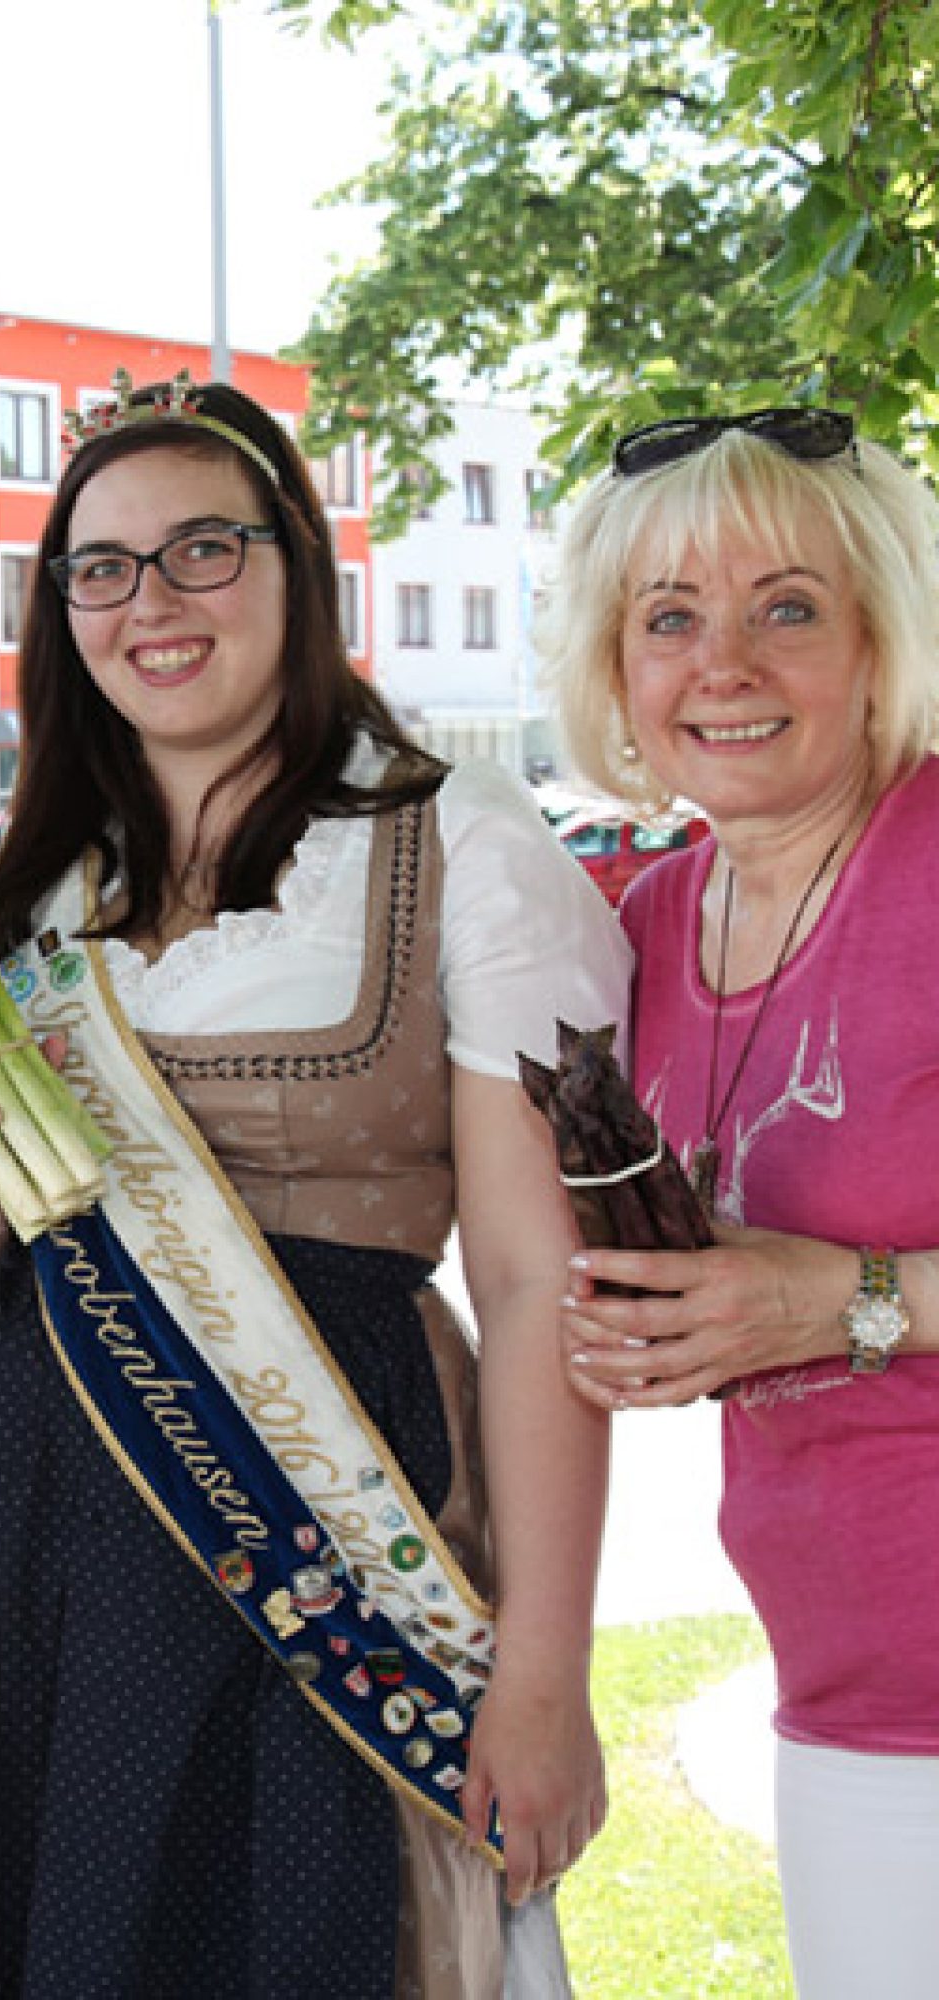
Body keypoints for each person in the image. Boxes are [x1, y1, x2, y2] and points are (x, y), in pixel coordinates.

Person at [0, 374, 628, 1997]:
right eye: (104, 569)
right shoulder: (20, 881)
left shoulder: (455, 841)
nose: (154, 603)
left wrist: (545, 1668)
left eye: (207, 548)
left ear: (296, 571)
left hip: (319, 1530)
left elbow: (541, 1286)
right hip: (21, 1535)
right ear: (62, 613)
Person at [546, 407, 939, 1999]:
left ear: (877, 637)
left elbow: (815, 1288)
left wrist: (845, 1299)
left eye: (789, 606)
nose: (727, 663)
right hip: (848, 1697)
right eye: (670, 620)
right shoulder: (636, 933)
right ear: (617, 674)